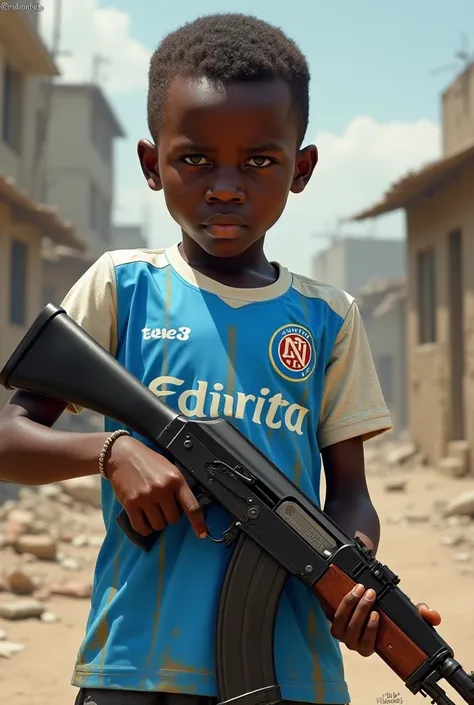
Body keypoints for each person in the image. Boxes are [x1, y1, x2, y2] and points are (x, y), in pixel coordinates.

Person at [0, 12, 441, 705]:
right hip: (132, 663)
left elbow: (349, 489)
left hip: (289, 668)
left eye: (260, 161)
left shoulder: (328, 317)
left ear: (302, 169)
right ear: (152, 165)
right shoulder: (123, 286)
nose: (226, 186)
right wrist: (113, 450)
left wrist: (353, 575)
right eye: (195, 159)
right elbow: (9, 439)